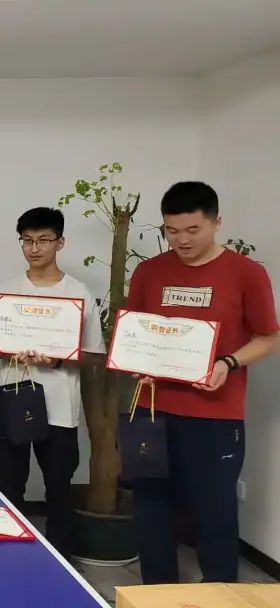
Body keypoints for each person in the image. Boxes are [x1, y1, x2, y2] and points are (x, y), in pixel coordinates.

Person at [125, 182, 278, 584]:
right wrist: (137, 361)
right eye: (172, 231)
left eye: (193, 230)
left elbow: (269, 337)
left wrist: (229, 362)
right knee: (152, 510)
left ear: (216, 223)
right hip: (153, 411)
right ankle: (156, 594)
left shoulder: (247, 273)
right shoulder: (148, 271)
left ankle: (220, 593)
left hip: (215, 416)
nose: (182, 240)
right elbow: (134, 330)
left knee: (215, 514)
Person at [0, 207, 104, 557]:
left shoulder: (78, 292)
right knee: (10, 484)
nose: (34, 248)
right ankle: (10, 555)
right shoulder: (7, 290)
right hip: (10, 401)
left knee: (59, 488)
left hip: (59, 408)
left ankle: (59, 561)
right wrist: (9, 350)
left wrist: (57, 359)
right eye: (27, 241)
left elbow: (94, 355)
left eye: (43, 240)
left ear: (60, 242)